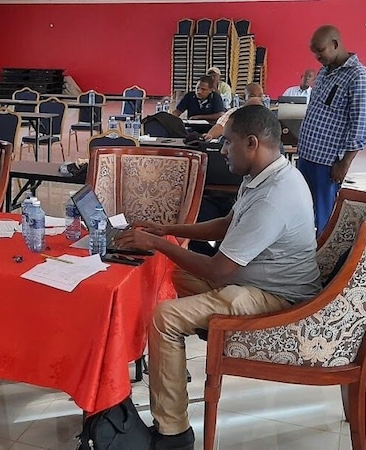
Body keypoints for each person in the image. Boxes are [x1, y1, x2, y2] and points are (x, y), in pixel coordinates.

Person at [114, 105, 321, 450]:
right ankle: (166, 357)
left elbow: (217, 270)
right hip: (253, 281)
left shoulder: (273, 197)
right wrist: (167, 230)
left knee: (165, 317)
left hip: (275, 298)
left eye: (227, 142)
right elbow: (227, 224)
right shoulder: (266, 175)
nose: (221, 150)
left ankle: (173, 432)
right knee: (170, 273)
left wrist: (156, 243)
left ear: (252, 143)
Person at [298, 25, 366, 234]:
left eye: (320, 50)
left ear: (335, 44)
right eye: (314, 52)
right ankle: (303, 248)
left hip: (327, 162)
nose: (317, 57)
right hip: (306, 155)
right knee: (302, 210)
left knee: (324, 217)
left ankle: (322, 252)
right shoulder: (325, 70)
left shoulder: (358, 76)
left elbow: (361, 124)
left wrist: (344, 163)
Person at [200, 83, 265, 141]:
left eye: (260, 96)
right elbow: (221, 125)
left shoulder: (267, 114)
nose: (257, 99)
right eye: (252, 96)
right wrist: (210, 135)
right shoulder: (234, 112)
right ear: (244, 97)